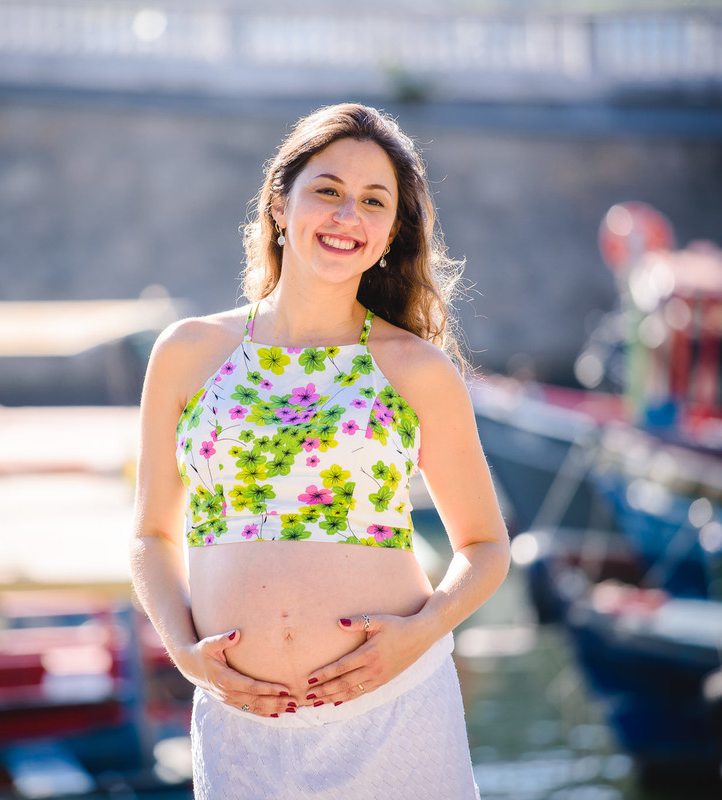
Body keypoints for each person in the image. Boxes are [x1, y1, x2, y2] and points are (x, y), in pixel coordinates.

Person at [129, 103, 509, 799]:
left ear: (391, 233)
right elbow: (151, 535)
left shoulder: (416, 369)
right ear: (280, 204)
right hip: (237, 727)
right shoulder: (187, 352)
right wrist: (186, 657)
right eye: (327, 191)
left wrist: (418, 635)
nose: (347, 216)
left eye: (373, 202)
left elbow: (486, 548)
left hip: (393, 713)